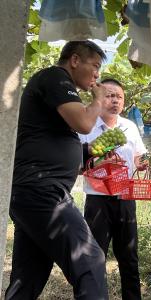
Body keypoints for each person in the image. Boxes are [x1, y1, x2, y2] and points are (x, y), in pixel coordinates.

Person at [7, 41, 109, 300]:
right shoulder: (55, 76)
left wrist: (83, 157)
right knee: (90, 260)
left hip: (35, 191)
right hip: (42, 191)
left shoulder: (54, 90)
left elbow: (55, 141)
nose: (97, 74)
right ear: (75, 60)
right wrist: (98, 100)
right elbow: (85, 123)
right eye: (95, 66)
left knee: (28, 276)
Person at [79, 78, 148, 300]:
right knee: (95, 255)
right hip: (97, 198)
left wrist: (140, 163)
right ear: (98, 98)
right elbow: (79, 163)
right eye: (109, 95)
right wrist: (98, 160)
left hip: (125, 197)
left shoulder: (130, 127)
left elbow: (138, 155)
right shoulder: (86, 126)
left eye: (118, 96)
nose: (114, 100)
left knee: (129, 256)